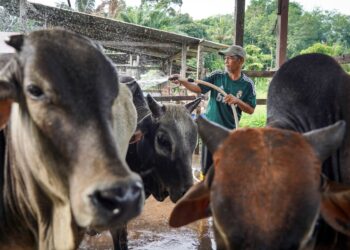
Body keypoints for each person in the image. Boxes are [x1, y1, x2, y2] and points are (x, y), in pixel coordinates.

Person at [170, 44, 256, 176]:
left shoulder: (247, 84)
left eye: (230, 58)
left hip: (229, 130)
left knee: (225, 166)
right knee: (207, 166)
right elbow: (198, 88)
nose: (226, 61)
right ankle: (206, 186)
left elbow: (250, 110)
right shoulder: (217, 76)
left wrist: (237, 101)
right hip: (210, 127)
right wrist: (183, 81)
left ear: (241, 61)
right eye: (225, 58)